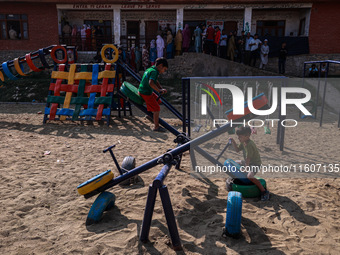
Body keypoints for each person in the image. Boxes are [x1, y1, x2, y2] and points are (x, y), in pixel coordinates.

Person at [229, 126, 270, 201]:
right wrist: (233, 142)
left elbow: (248, 157)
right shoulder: (243, 142)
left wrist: (246, 167)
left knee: (250, 176)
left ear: (247, 136)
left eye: (240, 137)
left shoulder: (250, 144)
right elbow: (237, 150)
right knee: (235, 162)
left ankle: (264, 192)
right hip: (248, 162)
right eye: (238, 137)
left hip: (255, 164)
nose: (239, 138)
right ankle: (237, 177)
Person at [138, 57, 168, 132]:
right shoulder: (154, 72)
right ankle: (156, 127)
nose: (163, 71)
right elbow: (151, 83)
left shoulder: (151, 69)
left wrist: (160, 88)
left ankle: (150, 116)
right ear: (161, 66)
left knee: (158, 101)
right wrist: (158, 90)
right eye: (164, 69)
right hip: (146, 92)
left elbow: (155, 81)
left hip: (144, 90)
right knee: (157, 108)